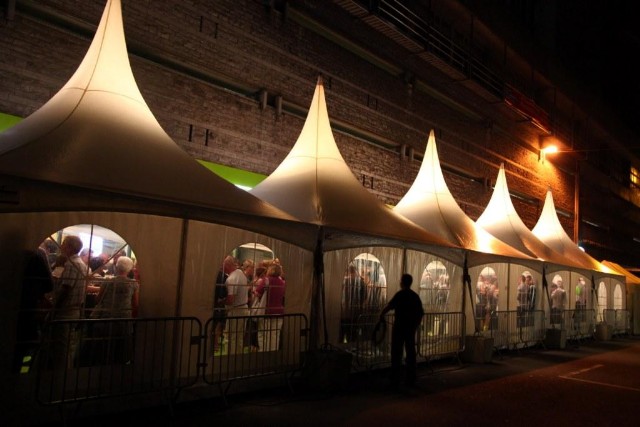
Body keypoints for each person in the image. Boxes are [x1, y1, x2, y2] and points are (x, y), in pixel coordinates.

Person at [49, 235, 89, 369]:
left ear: (70, 247)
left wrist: (54, 309)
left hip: (65, 311)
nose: (61, 246)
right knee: (67, 347)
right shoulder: (81, 264)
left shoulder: (71, 264)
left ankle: (61, 375)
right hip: (74, 311)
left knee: (62, 349)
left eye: (64, 244)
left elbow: (66, 288)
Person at [89, 256, 139, 364]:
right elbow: (135, 304)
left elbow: (98, 300)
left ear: (117, 267)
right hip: (124, 318)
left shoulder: (107, 281)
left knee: (106, 347)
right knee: (121, 347)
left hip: (107, 317)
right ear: (129, 269)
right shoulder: (132, 283)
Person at [379, 273, 424, 387]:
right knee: (410, 352)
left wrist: (382, 314)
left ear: (402, 282)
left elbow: (389, 306)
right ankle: (411, 377)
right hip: (410, 328)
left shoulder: (400, 295)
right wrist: (416, 324)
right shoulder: (415, 296)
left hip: (399, 327)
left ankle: (395, 377)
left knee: (396, 352)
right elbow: (421, 312)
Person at [13, 248, 54, 373]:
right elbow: (49, 285)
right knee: (27, 346)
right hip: (28, 308)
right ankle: (23, 373)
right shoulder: (37, 254)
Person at [255, 261, 286, 352]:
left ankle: (263, 353)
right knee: (275, 334)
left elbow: (257, 293)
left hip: (266, 311)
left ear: (270, 270)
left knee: (263, 334)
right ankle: (273, 352)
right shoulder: (283, 282)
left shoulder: (266, 280)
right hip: (279, 312)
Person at [224, 256, 249, 355]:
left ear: (227, 265)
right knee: (239, 336)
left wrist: (221, 302)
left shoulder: (231, 278)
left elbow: (231, 299)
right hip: (243, 308)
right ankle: (238, 356)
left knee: (231, 336)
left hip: (235, 310)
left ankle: (230, 357)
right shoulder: (240, 273)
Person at [341, 264, 366, 344]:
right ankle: (352, 346)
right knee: (353, 333)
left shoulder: (343, 281)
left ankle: (342, 347)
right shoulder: (361, 282)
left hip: (344, 312)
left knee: (343, 332)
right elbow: (364, 297)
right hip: (356, 312)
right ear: (355, 271)